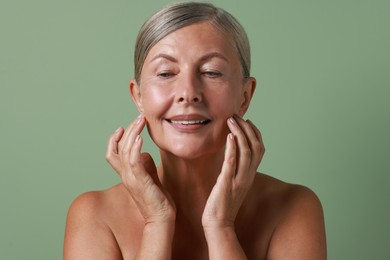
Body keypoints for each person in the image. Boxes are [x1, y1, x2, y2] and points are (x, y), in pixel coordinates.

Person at [64, 2, 326, 259]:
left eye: (211, 72)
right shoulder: (94, 215)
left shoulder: (293, 208)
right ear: (139, 96)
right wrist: (157, 223)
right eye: (166, 73)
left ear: (245, 97)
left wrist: (220, 226)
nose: (188, 93)